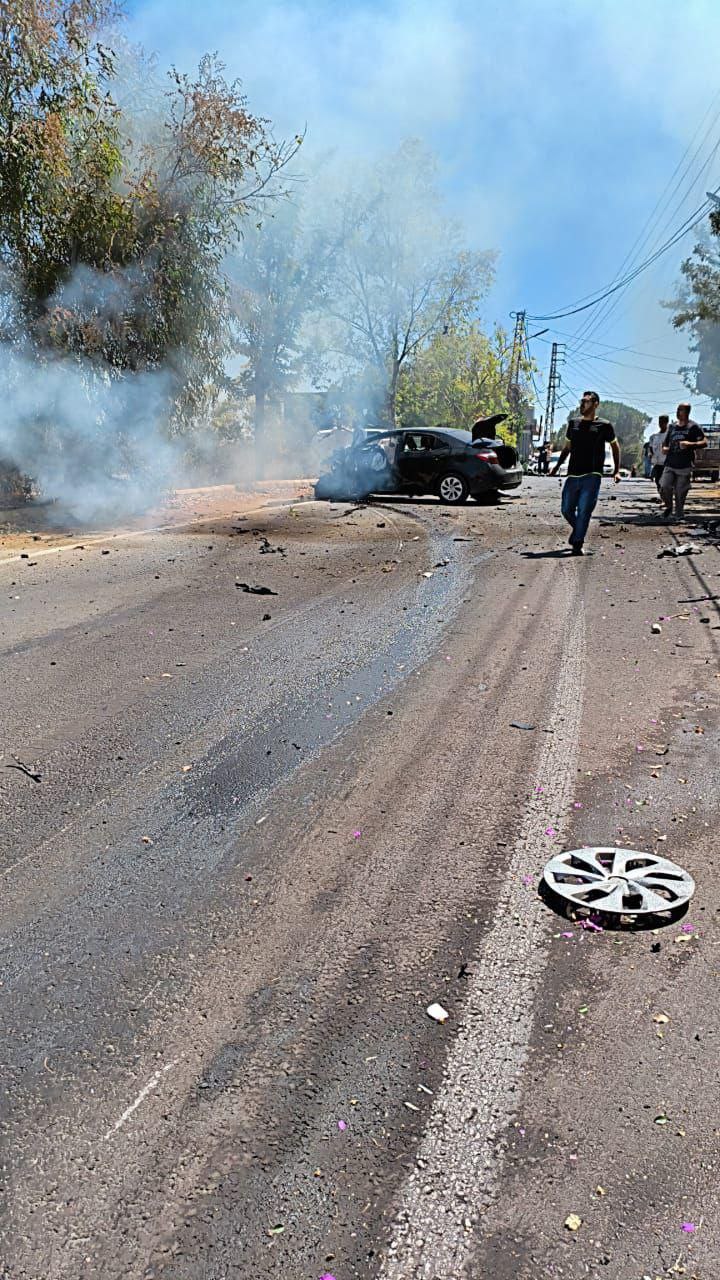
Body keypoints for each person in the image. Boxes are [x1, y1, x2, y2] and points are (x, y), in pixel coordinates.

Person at [550, 390, 620, 555]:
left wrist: (616, 471)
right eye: (581, 401)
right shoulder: (573, 423)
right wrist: (557, 466)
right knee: (566, 509)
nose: (582, 404)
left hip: (592, 475)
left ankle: (577, 543)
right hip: (573, 474)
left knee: (584, 511)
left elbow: (615, 447)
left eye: (586, 401)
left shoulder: (604, 425)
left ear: (595, 404)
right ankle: (579, 531)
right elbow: (567, 448)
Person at [659, 403, 706, 521]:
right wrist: (664, 449)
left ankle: (679, 514)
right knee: (664, 486)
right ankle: (669, 507)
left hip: (685, 465)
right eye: (677, 409)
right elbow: (665, 443)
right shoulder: (672, 427)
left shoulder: (693, 427)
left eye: (681, 410)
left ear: (687, 412)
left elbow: (704, 442)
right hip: (670, 464)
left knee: (680, 492)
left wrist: (690, 444)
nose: (678, 412)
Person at [647, 415, 669, 496]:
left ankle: (667, 498)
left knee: (666, 482)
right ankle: (663, 496)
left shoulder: (669, 436)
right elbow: (650, 447)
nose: (661, 424)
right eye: (660, 422)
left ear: (666, 423)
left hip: (667, 463)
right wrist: (650, 454)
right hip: (658, 463)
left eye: (663, 422)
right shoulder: (654, 437)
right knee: (657, 481)